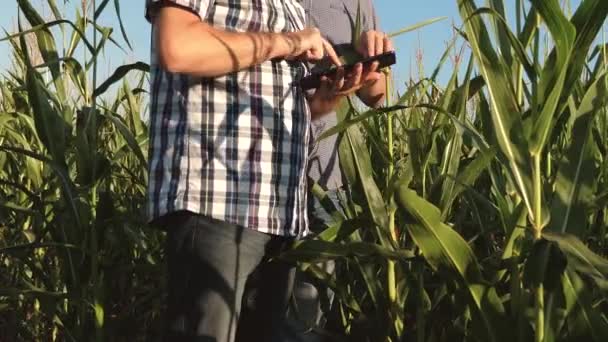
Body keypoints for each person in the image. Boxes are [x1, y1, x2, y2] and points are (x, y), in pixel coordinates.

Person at [144, 1, 375, 341]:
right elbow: (178, 46)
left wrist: (322, 102)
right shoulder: (288, 23)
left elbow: (258, 91)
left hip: (278, 213)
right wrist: (290, 42)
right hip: (218, 200)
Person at [284, 1, 394, 341]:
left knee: (308, 319)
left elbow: (376, 94)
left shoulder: (358, 3)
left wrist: (373, 55)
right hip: (261, 174)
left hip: (327, 182)